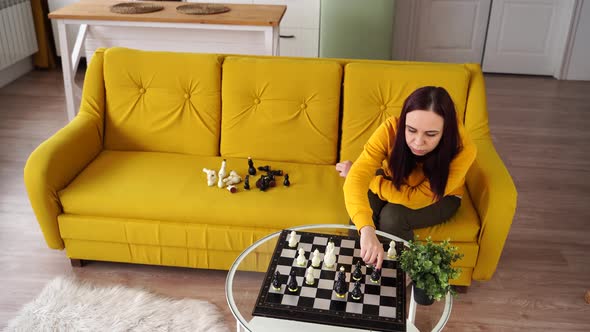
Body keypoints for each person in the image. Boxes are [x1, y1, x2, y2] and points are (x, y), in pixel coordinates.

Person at [337, 86, 476, 270]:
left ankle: (397, 273)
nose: (418, 142)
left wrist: (371, 181)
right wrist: (366, 229)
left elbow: (416, 198)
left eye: (431, 134)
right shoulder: (390, 129)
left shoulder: (463, 149)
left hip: (442, 196)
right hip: (394, 181)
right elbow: (355, 180)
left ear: (446, 131)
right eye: (411, 130)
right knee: (365, 208)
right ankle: (356, 269)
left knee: (393, 216)